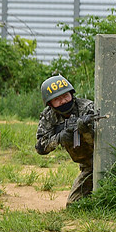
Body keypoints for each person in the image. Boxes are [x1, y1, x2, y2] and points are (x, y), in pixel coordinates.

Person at [35, 74, 98, 207]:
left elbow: (103, 141)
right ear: (50, 103)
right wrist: (60, 138)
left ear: (71, 94)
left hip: (103, 161)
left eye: (65, 96)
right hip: (88, 167)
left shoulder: (87, 108)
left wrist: (86, 130)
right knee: (73, 205)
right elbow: (40, 147)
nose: (63, 101)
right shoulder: (49, 116)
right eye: (57, 99)